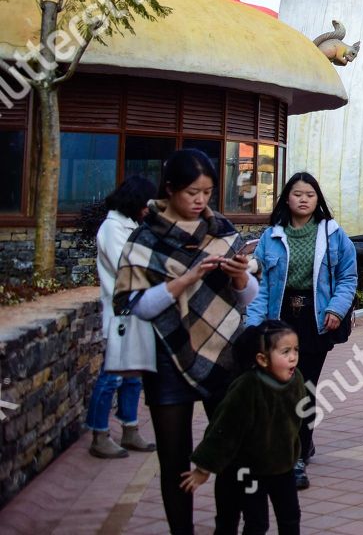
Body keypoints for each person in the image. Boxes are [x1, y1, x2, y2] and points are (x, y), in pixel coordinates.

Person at [114, 149, 259, 535]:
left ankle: (226, 527)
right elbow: (137, 306)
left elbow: (244, 299)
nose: (200, 201)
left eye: (208, 192)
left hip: (223, 352)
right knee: (175, 460)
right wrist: (185, 280)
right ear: (170, 189)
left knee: (230, 450)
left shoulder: (223, 231)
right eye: (192, 192)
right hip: (168, 355)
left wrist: (241, 278)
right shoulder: (146, 237)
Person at [245, 172, 357, 490]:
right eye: (297, 193)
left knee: (304, 388)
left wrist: (336, 308)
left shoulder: (333, 234)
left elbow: (348, 276)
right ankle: (287, 447)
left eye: (310, 194)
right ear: (287, 198)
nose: (304, 199)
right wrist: (253, 324)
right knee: (277, 387)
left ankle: (296, 452)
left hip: (314, 319)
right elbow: (262, 284)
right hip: (280, 319)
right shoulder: (272, 236)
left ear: (318, 199)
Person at [181, 319, 306, 535]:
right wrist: (204, 467)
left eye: (295, 350)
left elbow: (296, 421)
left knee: (290, 517)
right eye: (285, 352)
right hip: (250, 470)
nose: (293, 357)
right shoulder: (247, 387)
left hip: (282, 467)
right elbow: (223, 429)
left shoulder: (297, 381)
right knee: (257, 523)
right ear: (262, 359)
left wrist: (293, 449)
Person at [87, 175, 158, 459]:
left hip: (137, 310)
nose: (148, 210)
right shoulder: (112, 228)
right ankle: (99, 434)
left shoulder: (133, 226)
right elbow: (128, 268)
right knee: (111, 377)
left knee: (133, 377)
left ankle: (130, 429)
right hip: (120, 312)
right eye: (145, 204)